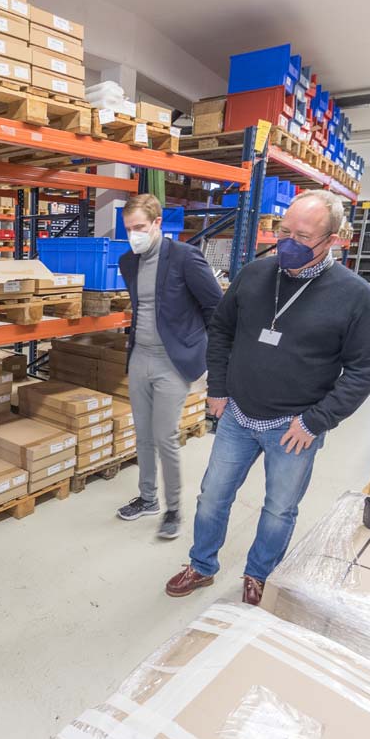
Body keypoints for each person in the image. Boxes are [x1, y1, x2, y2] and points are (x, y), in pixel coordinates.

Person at [165, 189, 370, 604]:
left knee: (279, 508)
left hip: (294, 426)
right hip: (238, 414)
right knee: (212, 497)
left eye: (303, 237)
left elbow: (363, 371)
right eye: (284, 232)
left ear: (331, 240)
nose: (288, 243)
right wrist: (218, 388)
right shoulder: (254, 274)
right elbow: (222, 330)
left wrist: (315, 422)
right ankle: (202, 565)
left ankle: (259, 573)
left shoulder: (355, 296)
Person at [116, 194, 223, 539]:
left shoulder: (184, 257)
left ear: (158, 223)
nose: (134, 235)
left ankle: (174, 508)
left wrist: (208, 354)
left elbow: (215, 307)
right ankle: (148, 499)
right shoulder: (128, 262)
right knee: (143, 435)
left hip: (173, 361)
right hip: (140, 357)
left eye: (140, 227)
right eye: (128, 229)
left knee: (165, 437)